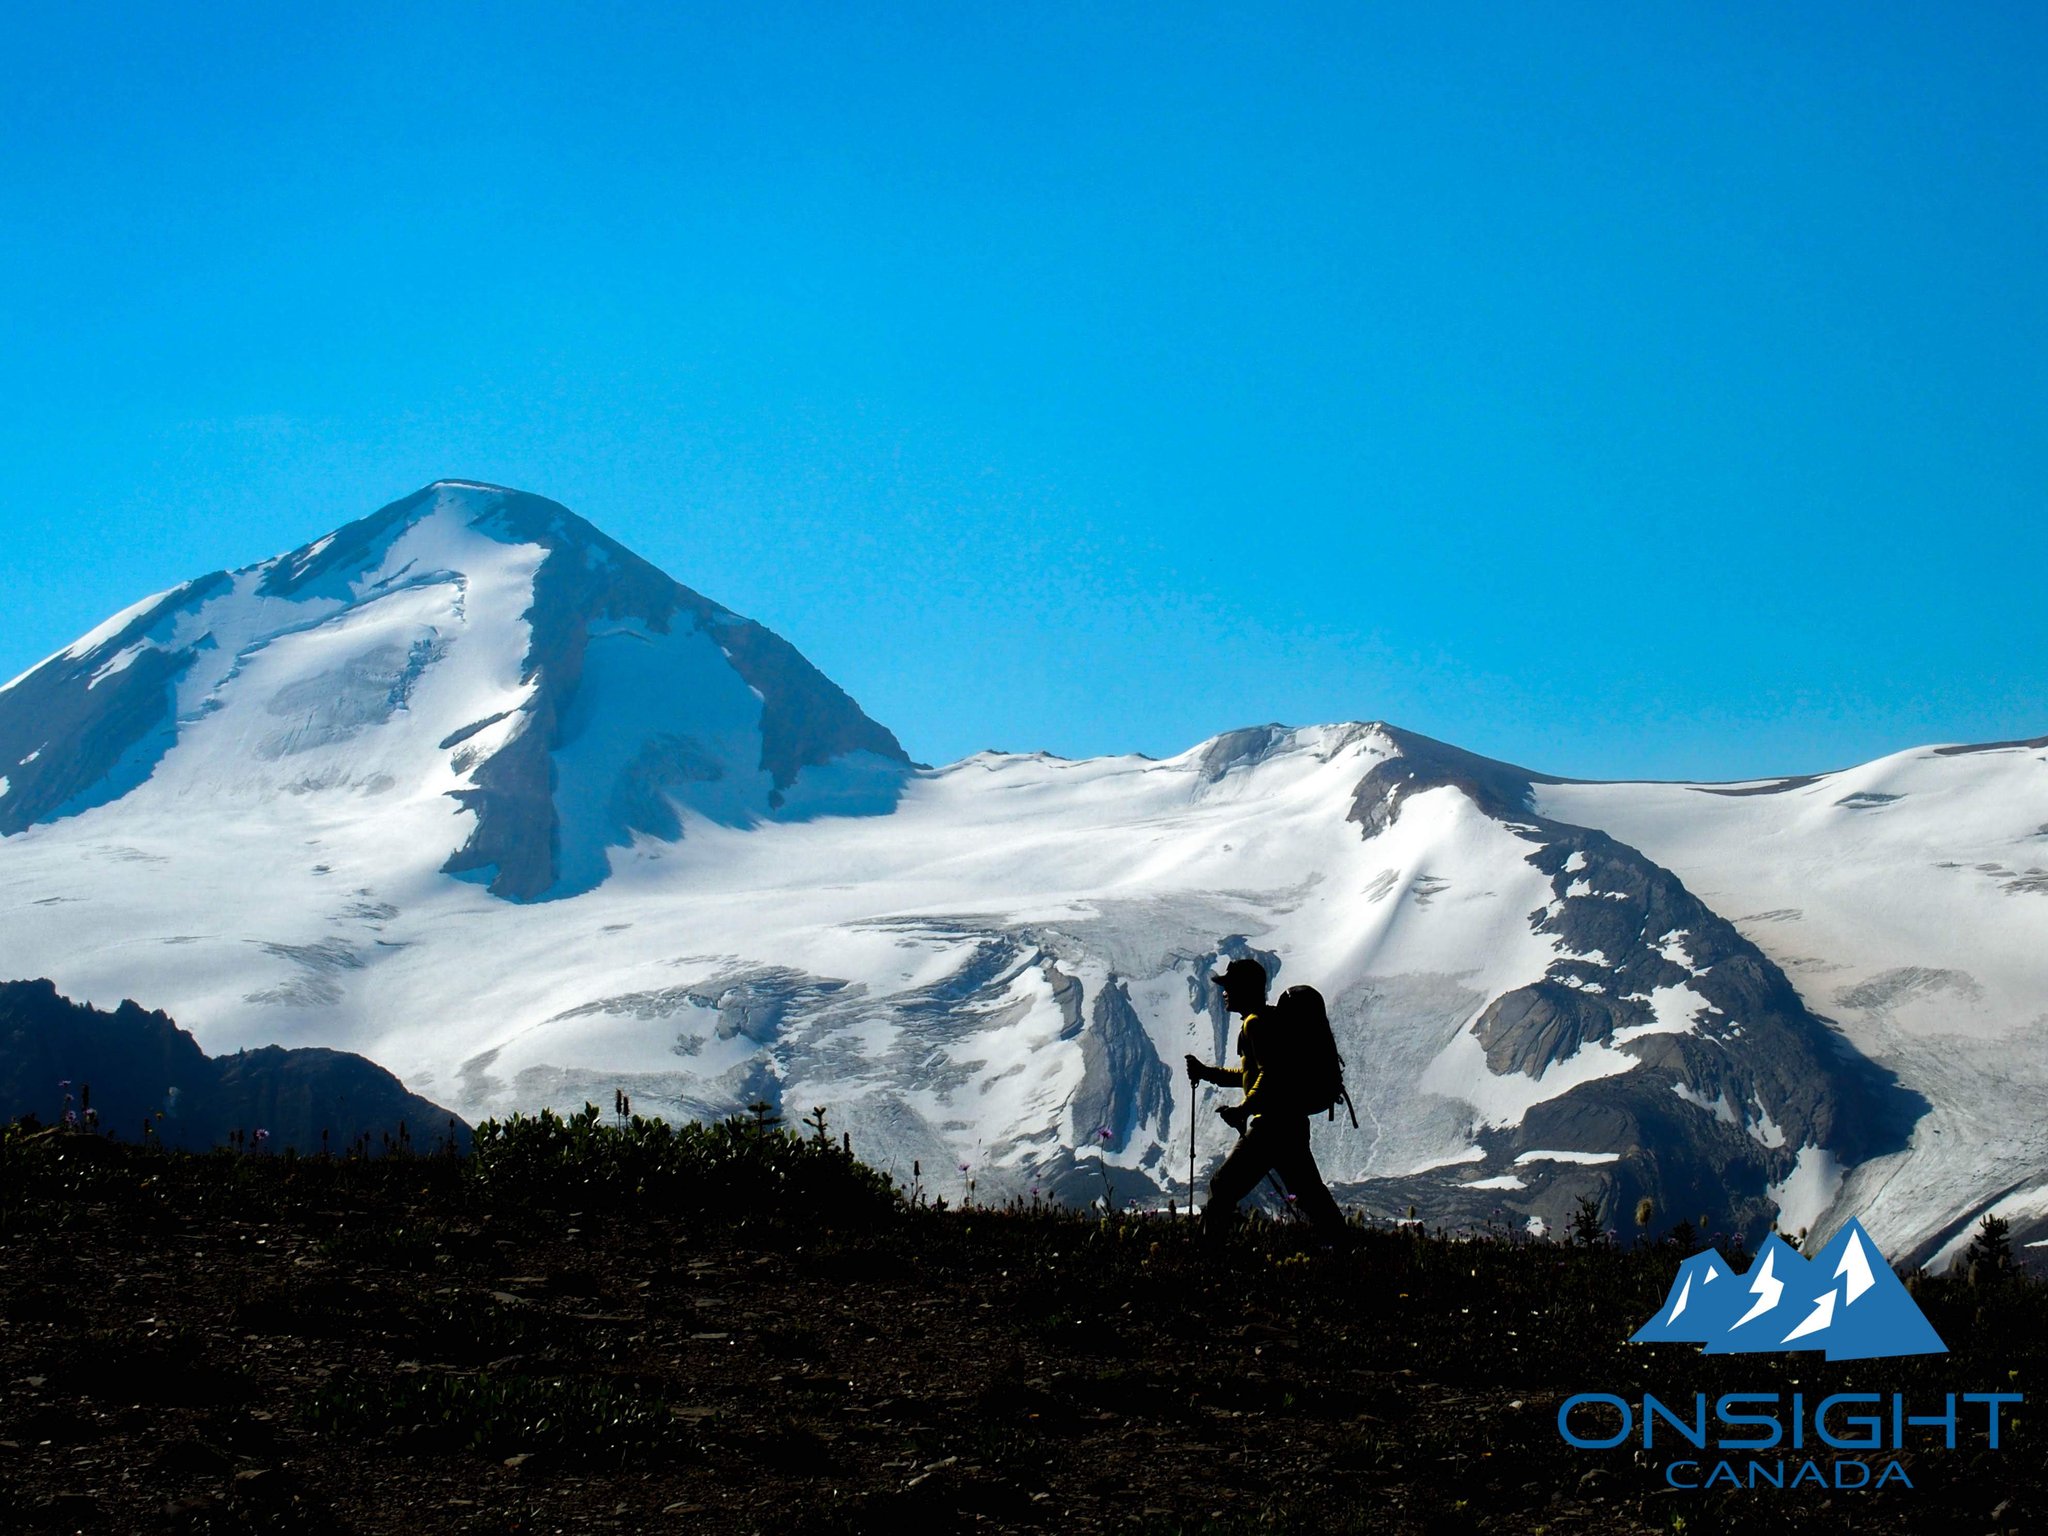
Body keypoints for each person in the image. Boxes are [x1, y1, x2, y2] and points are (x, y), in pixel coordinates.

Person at [1185, 958, 1347, 1245]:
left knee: (1222, 1187)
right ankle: (1347, 1245)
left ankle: (1206, 1254)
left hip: (1270, 1126)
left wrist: (1243, 1110)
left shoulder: (1254, 1023)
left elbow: (1270, 1074)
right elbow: (1254, 1074)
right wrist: (1208, 1073)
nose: (1224, 992)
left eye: (1229, 987)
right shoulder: (1265, 1020)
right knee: (1309, 1193)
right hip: (1290, 1122)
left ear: (1243, 989)